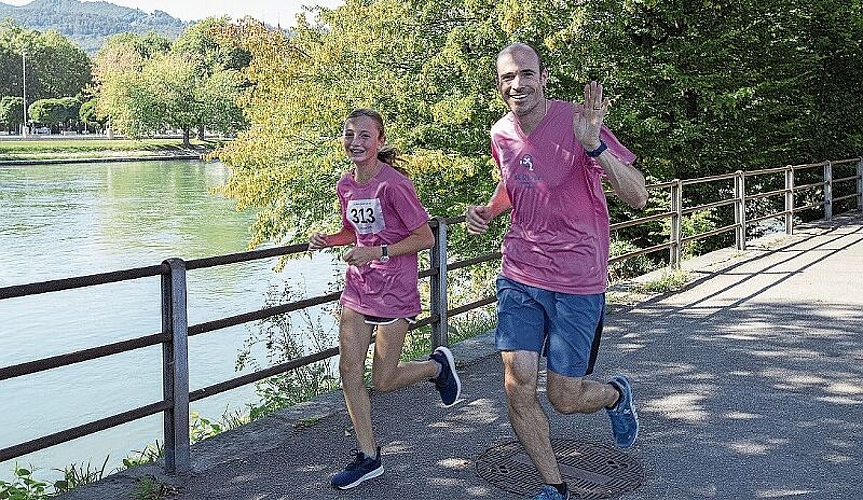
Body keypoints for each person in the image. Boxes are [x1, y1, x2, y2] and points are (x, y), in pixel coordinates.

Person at [466, 43, 648, 500]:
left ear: (543, 77)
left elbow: (638, 195)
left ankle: (614, 395)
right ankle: (554, 487)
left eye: (526, 74)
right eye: (508, 77)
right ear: (498, 84)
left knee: (564, 399)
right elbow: (516, 180)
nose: (517, 85)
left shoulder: (576, 122)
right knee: (517, 384)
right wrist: (489, 210)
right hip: (520, 272)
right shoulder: (500, 133)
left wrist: (596, 146)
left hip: (577, 279)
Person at [309, 108, 462, 490]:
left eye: (364, 135)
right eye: (349, 135)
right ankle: (368, 456)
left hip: (394, 290)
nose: (355, 142)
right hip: (359, 288)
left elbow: (424, 237)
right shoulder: (346, 184)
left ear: (379, 141)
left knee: (384, 380)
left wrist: (378, 253)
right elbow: (352, 230)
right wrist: (328, 239)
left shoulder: (393, 185)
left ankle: (436, 369)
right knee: (348, 371)